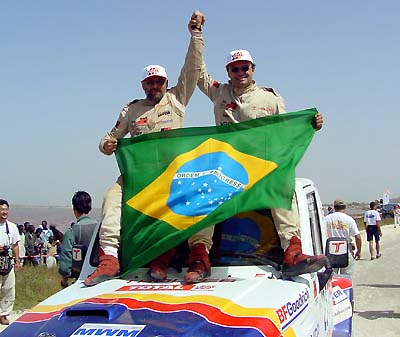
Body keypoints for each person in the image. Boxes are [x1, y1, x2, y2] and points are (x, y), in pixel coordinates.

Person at [84, 11, 205, 287]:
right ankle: (109, 259)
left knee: (202, 195)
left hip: (174, 173)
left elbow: (193, 67)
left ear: (166, 83)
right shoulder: (132, 109)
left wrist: (196, 35)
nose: (154, 86)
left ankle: (195, 255)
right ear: (143, 85)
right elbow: (109, 136)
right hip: (139, 176)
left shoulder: (177, 98)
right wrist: (107, 144)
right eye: (150, 82)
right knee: (112, 196)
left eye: (159, 81)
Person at [188, 47, 327, 283]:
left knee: (284, 187)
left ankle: (292, 252)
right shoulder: (219, 92)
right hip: (227, 167)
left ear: (253, 70)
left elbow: (285, 130)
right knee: (203, 191)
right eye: (235, 68)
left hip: (259, 167)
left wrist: (310, 125)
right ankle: (200, 258)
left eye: (245, 67)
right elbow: (197, 71)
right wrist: (196, 35)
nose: (240, 72)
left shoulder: (270, 98)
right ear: (228, 71)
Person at [59, 191, 98, 288]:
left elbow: (66, 259)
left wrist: (65, 279)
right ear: (90, 207)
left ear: (74, 208)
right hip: (101, 277)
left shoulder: (72, 231)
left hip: (81, 279)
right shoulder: (100, 227)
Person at [325, 199, 362, 275]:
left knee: (331, 276)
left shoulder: (327, 219)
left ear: (334, 207)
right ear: (344, 207)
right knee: (346, 276)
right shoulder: (349, 219)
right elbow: (358, 237)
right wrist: (359, 250)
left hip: (330, 250)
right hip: (345, 249)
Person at [0, 199, 20, 325]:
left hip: (7, 262)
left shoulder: (12, 227)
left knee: (9, 289)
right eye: (2, 209)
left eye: (6, 209)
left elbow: (16, 245)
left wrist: (17, 261)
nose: (4, 212)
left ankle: (3, 314)